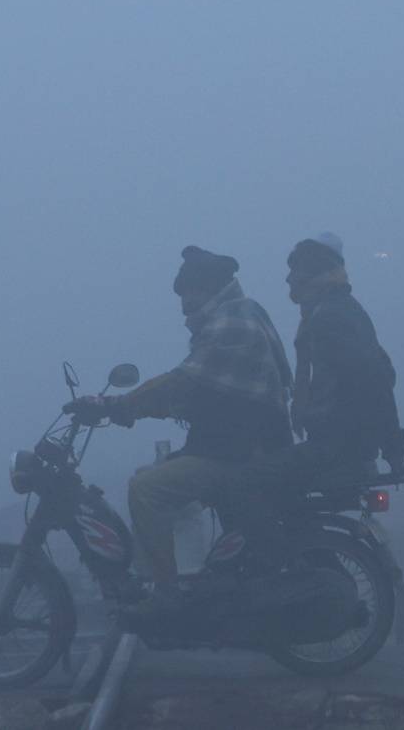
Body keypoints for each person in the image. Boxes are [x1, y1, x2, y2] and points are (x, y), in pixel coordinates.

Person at [64, 245, 292, 621]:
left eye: (190, 293)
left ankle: (167, 596)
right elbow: (192, 397)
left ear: (209, 288)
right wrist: (126, 407)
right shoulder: (241, 313)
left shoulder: (230, 324)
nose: (185, 303)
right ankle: (175, 579)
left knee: (146, 489)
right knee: (146, 477)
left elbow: (182, 383)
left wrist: (118, 406)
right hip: (234, 445)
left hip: (241, 454)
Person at [230, 234, 404, 565]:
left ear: (311, 274)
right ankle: (304, 555)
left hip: (336, 446)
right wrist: (391, 443)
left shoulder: (330, 318)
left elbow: (375, 378)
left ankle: (276, 565)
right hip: (344, 443)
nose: (287, 279)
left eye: (293, 270)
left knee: (242, 484)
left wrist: (390, 444)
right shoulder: (336, 310)